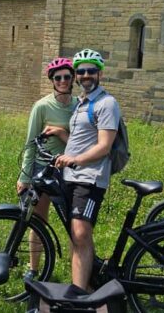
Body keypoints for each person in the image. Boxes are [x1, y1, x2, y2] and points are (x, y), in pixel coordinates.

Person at [45, 48, 121, 291]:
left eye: (91, 71)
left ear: (99, 74)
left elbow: (104, 147)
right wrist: (61, 135)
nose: (86, 75)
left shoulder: (106, 103)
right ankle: (87, 285)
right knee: (76, 234)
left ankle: (79, 296)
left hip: (89, 178)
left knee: (79, 233)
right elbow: (81, 140)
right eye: (81, 71)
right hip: (72, 175)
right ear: (76, 75)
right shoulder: (80, 105)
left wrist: (75, 159)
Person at [17, 57, 76, 279]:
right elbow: (31, 142)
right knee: (38, 221)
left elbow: (81, 145)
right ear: (52, 80)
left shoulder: (79, 106)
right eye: (58, 77)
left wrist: (62, 134)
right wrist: (24, 176)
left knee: (73, 224)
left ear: (72, 80)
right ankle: (33, 269)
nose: (62, 81)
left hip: (68, 169)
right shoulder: (42, 106)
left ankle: (77, 274)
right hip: (43, 168)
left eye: (66, 77)